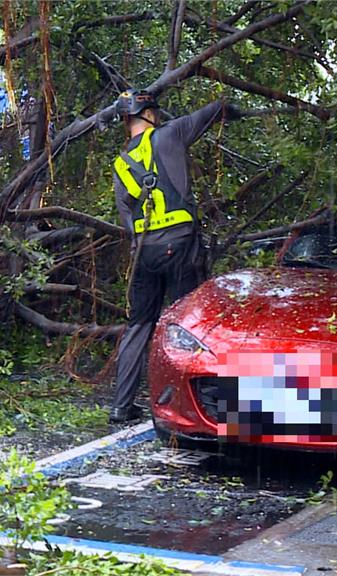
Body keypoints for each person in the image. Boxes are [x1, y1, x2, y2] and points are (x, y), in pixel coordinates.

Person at [109, 89, 239, 423]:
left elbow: (127, 218)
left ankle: (121, 406)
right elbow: (215, 107)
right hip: (181, 244)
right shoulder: (171, 133)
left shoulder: (121, 164)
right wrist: (231, 111)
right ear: (149, 115)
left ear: (127, 122)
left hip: (145, 254)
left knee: (138, 325)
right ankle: (188, 408)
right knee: (189, 324)